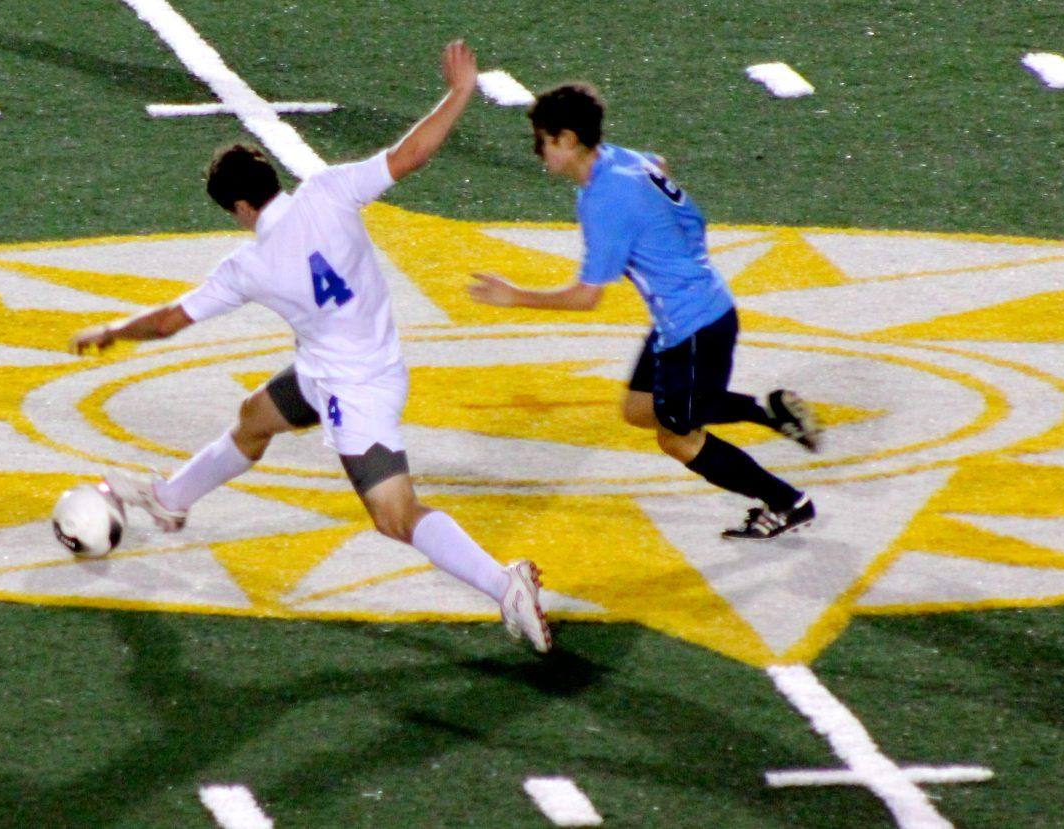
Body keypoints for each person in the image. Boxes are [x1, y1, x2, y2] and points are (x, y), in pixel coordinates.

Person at [69, 41, 551, 653]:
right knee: (254, 417)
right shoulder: (330, 189)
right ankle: (170, 499)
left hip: (357, 392)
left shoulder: (249, 264)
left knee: (395, 516)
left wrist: (111, 331)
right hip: (335, 370)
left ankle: (501, 582)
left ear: (241, 207)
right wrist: (458, 93)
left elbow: (168, 323)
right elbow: (413, 153)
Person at [468, 83, 821, 540]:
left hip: (695, 327)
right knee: (639, 409)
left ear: (570, 140)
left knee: (677, 437)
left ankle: (788, 502)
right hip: (686, 316)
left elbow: (586, 298)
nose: (538, 151)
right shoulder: (618, 159)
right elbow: (660, 166)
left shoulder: (604, 200)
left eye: (544, 140)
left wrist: (515, 296)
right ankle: (772, 414)